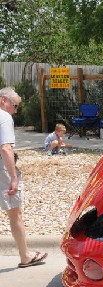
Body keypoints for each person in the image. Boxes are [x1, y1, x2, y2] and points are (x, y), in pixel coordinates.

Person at [0, 87, 48, 268]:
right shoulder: (4, 117)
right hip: (1, 169)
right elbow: (5, 148)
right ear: (4, 100)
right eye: (14, 106)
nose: (15, 110)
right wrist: (13, 177)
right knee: (15, 213)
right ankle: (25, 256)